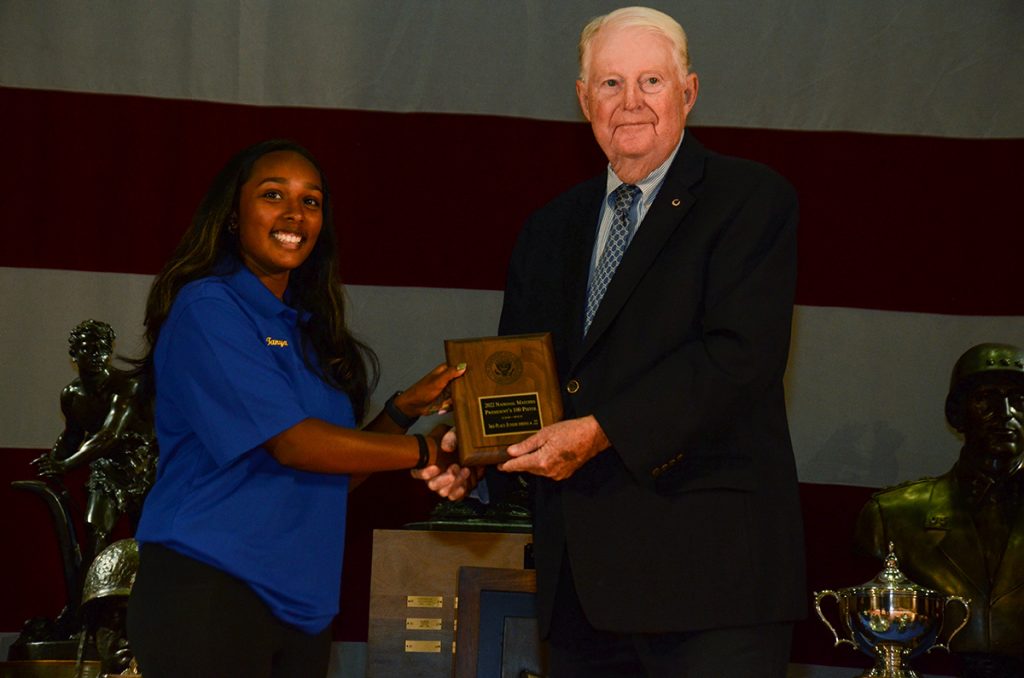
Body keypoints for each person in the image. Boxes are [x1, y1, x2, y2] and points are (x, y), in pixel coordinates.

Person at [417, 7, 805, 676]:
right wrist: (479, 452)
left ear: (688, 91)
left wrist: (601, 431)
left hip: (710, 590)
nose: (630, 103)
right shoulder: (549, 228)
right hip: (580, 596)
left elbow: (739, 359)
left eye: (651, 82)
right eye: (610, 84)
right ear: (581, 98)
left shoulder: (750, 199)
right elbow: (525, 385)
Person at [125, 139, 465, 678]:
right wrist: (428, 449)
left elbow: (331, 474)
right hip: (211, 590)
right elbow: (294, 444)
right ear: (233, 215)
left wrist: (403, 412)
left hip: (301, 606)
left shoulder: (306, 330)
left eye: (311, 201)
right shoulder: (209, 306)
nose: (294, 213)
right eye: (272, 194)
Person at [855, 343, 1024, 678]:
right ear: (956, 414)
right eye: (985, 398)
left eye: (1020, 399)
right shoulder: (892, 516)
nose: (1005, 412)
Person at [34, 319, 157, 570]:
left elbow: (108, 435)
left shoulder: (125, 386)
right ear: (74, 353)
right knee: (96, 531)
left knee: (147, 541)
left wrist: (65, 464)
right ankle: (88, 606)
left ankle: (143, 604)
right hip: (107, 470)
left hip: (144, 469)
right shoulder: (71, 394)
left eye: (102, 347)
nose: (96, 354)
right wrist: (53, 460)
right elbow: (72, 435)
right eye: (88, 348)